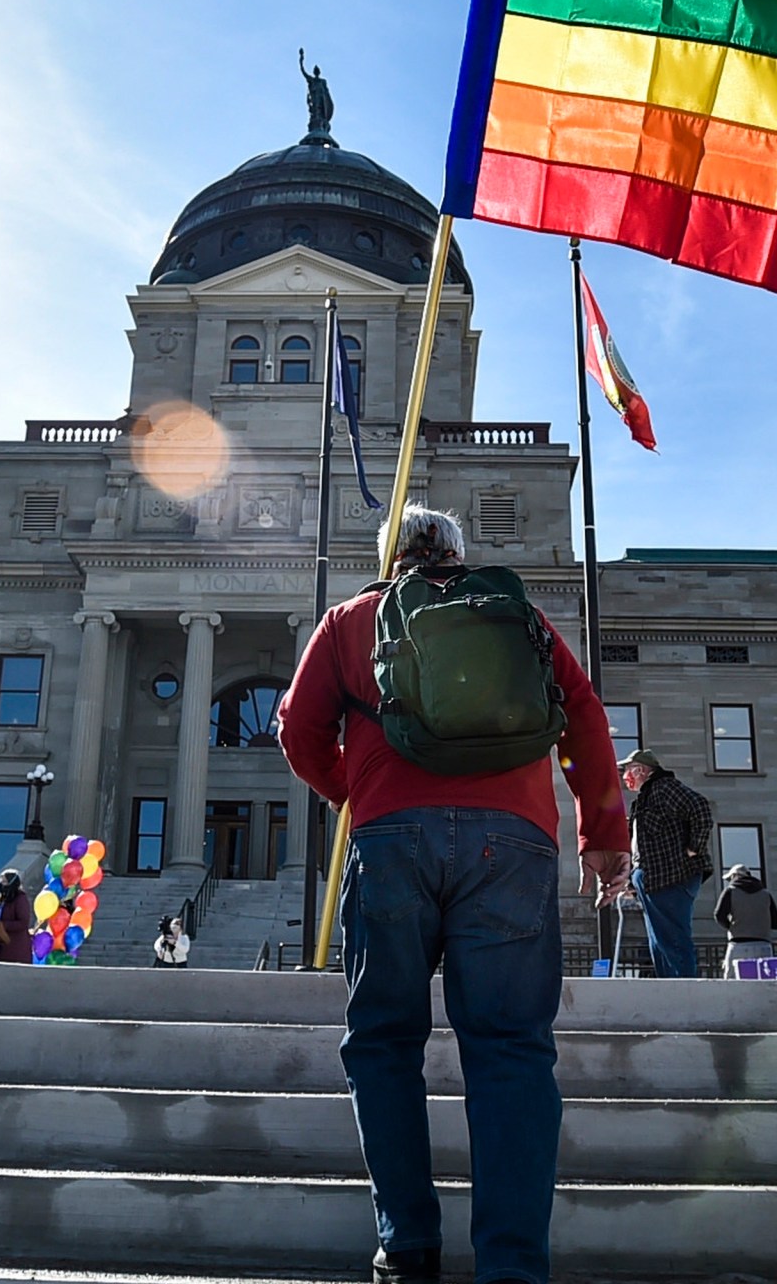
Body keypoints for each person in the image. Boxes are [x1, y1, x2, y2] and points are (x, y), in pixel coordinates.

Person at [279, 503, 626, 1284]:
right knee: (510, 1053)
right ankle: (511, 1268)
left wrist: (353, 793)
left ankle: (407, 1248)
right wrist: (604, 834)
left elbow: (299, 732)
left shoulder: (351, 619)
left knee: (385, 1043)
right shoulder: (518, 617)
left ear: (389, 555)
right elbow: (585, 716)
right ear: (458, 554)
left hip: (393, 839)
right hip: (515, 843)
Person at [617, 750, 712, 980]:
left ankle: (684, 994)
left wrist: (693, 848)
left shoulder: (663, 788)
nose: (625, 777)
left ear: (641, 770)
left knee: (672, 940)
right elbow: (641, 845)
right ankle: (670, 990)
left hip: (671, 876)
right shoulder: (646, 798)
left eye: (628, 770)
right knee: (659, 941)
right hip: (653, 878)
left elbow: (700, 807)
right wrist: (632, 880)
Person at [714, 864, 777, 974]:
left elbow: (718, 915)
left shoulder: (730, 891)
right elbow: (776, 923)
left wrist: (731, 926)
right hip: (763, 945)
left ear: (735, 876)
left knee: (732, 985)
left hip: (738, 944)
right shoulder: (766, 894)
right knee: (764, 986)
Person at [0, 870, 32, 963]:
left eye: (4, 882)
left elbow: (23, 923)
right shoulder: (3, 899)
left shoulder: (20, 899)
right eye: (1, 882)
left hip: (15, 947)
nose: (1, 884)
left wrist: (1, 925)